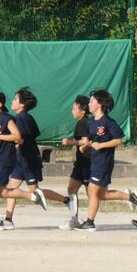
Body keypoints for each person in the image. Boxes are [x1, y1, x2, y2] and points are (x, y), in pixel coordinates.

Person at [3, 87, 77, 230]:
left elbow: (19, 139)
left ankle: (67, 200)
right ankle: (8, 219)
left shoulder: (23, 118)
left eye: (15, 99)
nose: (12, 101)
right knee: (11, 189)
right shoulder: (21, 118)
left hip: (29, 160)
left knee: (36, 192)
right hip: (20, 159)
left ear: (22, 104)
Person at [75, 90, 137, 232]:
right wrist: (86, 146)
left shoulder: (108, 122)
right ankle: (131, 197)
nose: (89, 104)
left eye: (92, 101)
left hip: (104, 162)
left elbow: (119, 140)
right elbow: (93, 139)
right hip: (94, 161)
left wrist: (101, 145)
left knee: (92, 190)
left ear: (100, 104)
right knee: (101, 195)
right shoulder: (91, 122)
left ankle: (90, 223)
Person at [0, 92, 45, 230]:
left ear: (0, 104)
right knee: (1, 192)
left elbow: (17, 137)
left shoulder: (7, 118)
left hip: (6, 158)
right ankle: (32, 196)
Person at [58, 95, 91, 230]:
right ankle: (74, 219)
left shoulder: (83, 123)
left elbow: (85, 141)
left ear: (82, 111)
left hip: (88, 163)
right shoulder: (82, 122)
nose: (72, 111)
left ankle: (90, 221)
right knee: (72, 189)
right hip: (80, 163)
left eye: (74, 109)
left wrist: (70, 142)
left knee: (94, 194)